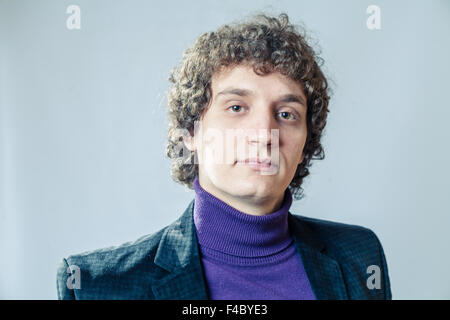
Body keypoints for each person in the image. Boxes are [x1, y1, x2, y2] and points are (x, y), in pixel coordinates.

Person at [56, 12, 392, 300]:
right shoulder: (96, 285)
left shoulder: (359, 256)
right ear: (191, 132)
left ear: (306, 145)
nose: (264, 133)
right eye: (236, 107)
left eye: (287, 114)